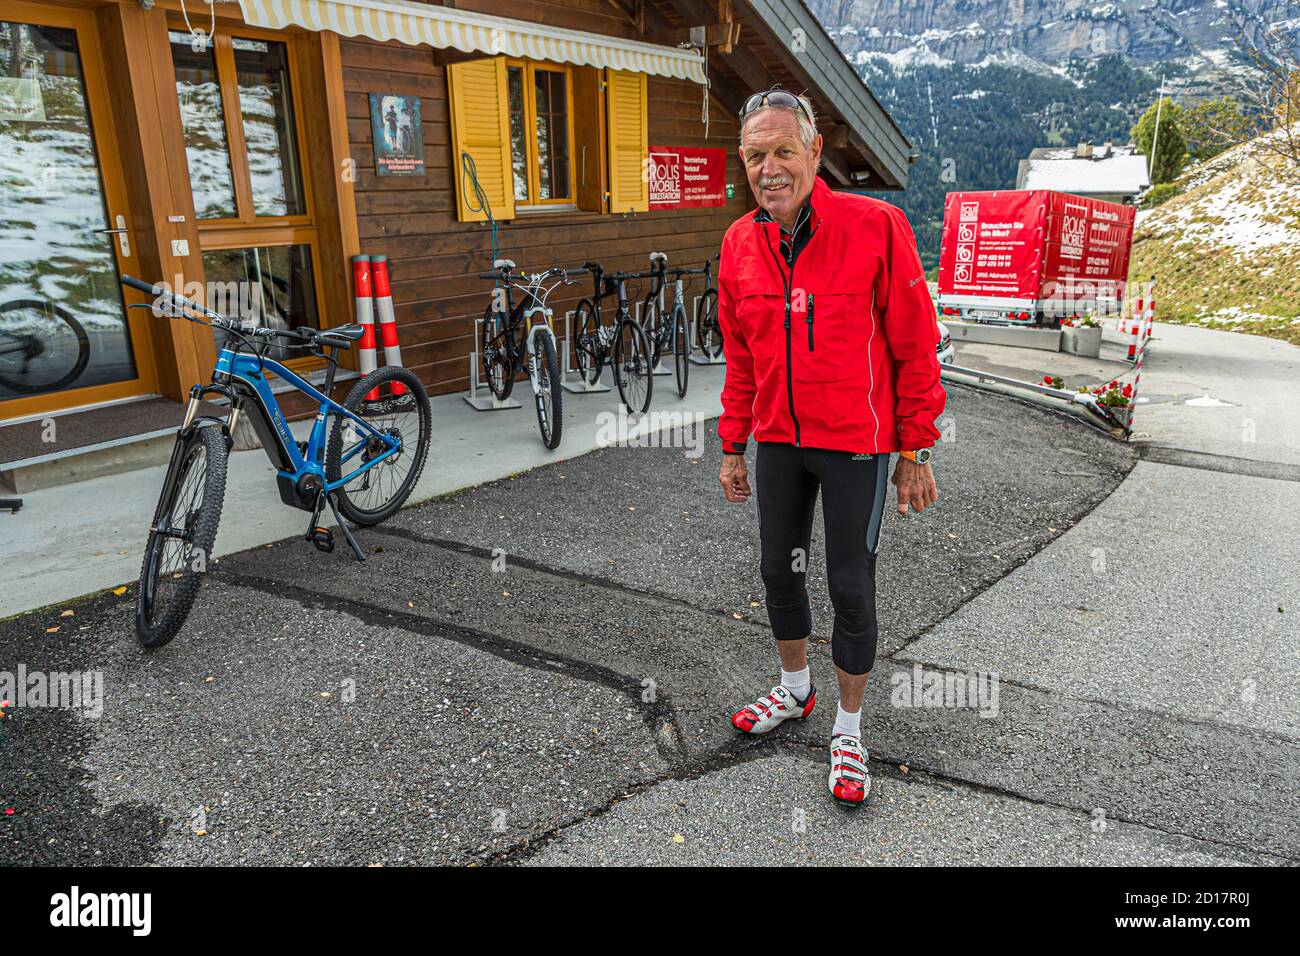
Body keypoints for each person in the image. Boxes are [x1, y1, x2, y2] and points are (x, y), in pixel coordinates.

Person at [717, 87, 946, 807]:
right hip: (780, 442)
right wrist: (732, 445)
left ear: (816, 152)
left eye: (784, 150)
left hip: (857, 446)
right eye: (756, 155)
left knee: (850, 585)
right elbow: (742, 357)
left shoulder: (876, 226)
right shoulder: (737, 243)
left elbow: (916, 345)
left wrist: (916, 449)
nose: (769, 167)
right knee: (779, 575)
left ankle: (849, 729)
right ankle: (795, 691)